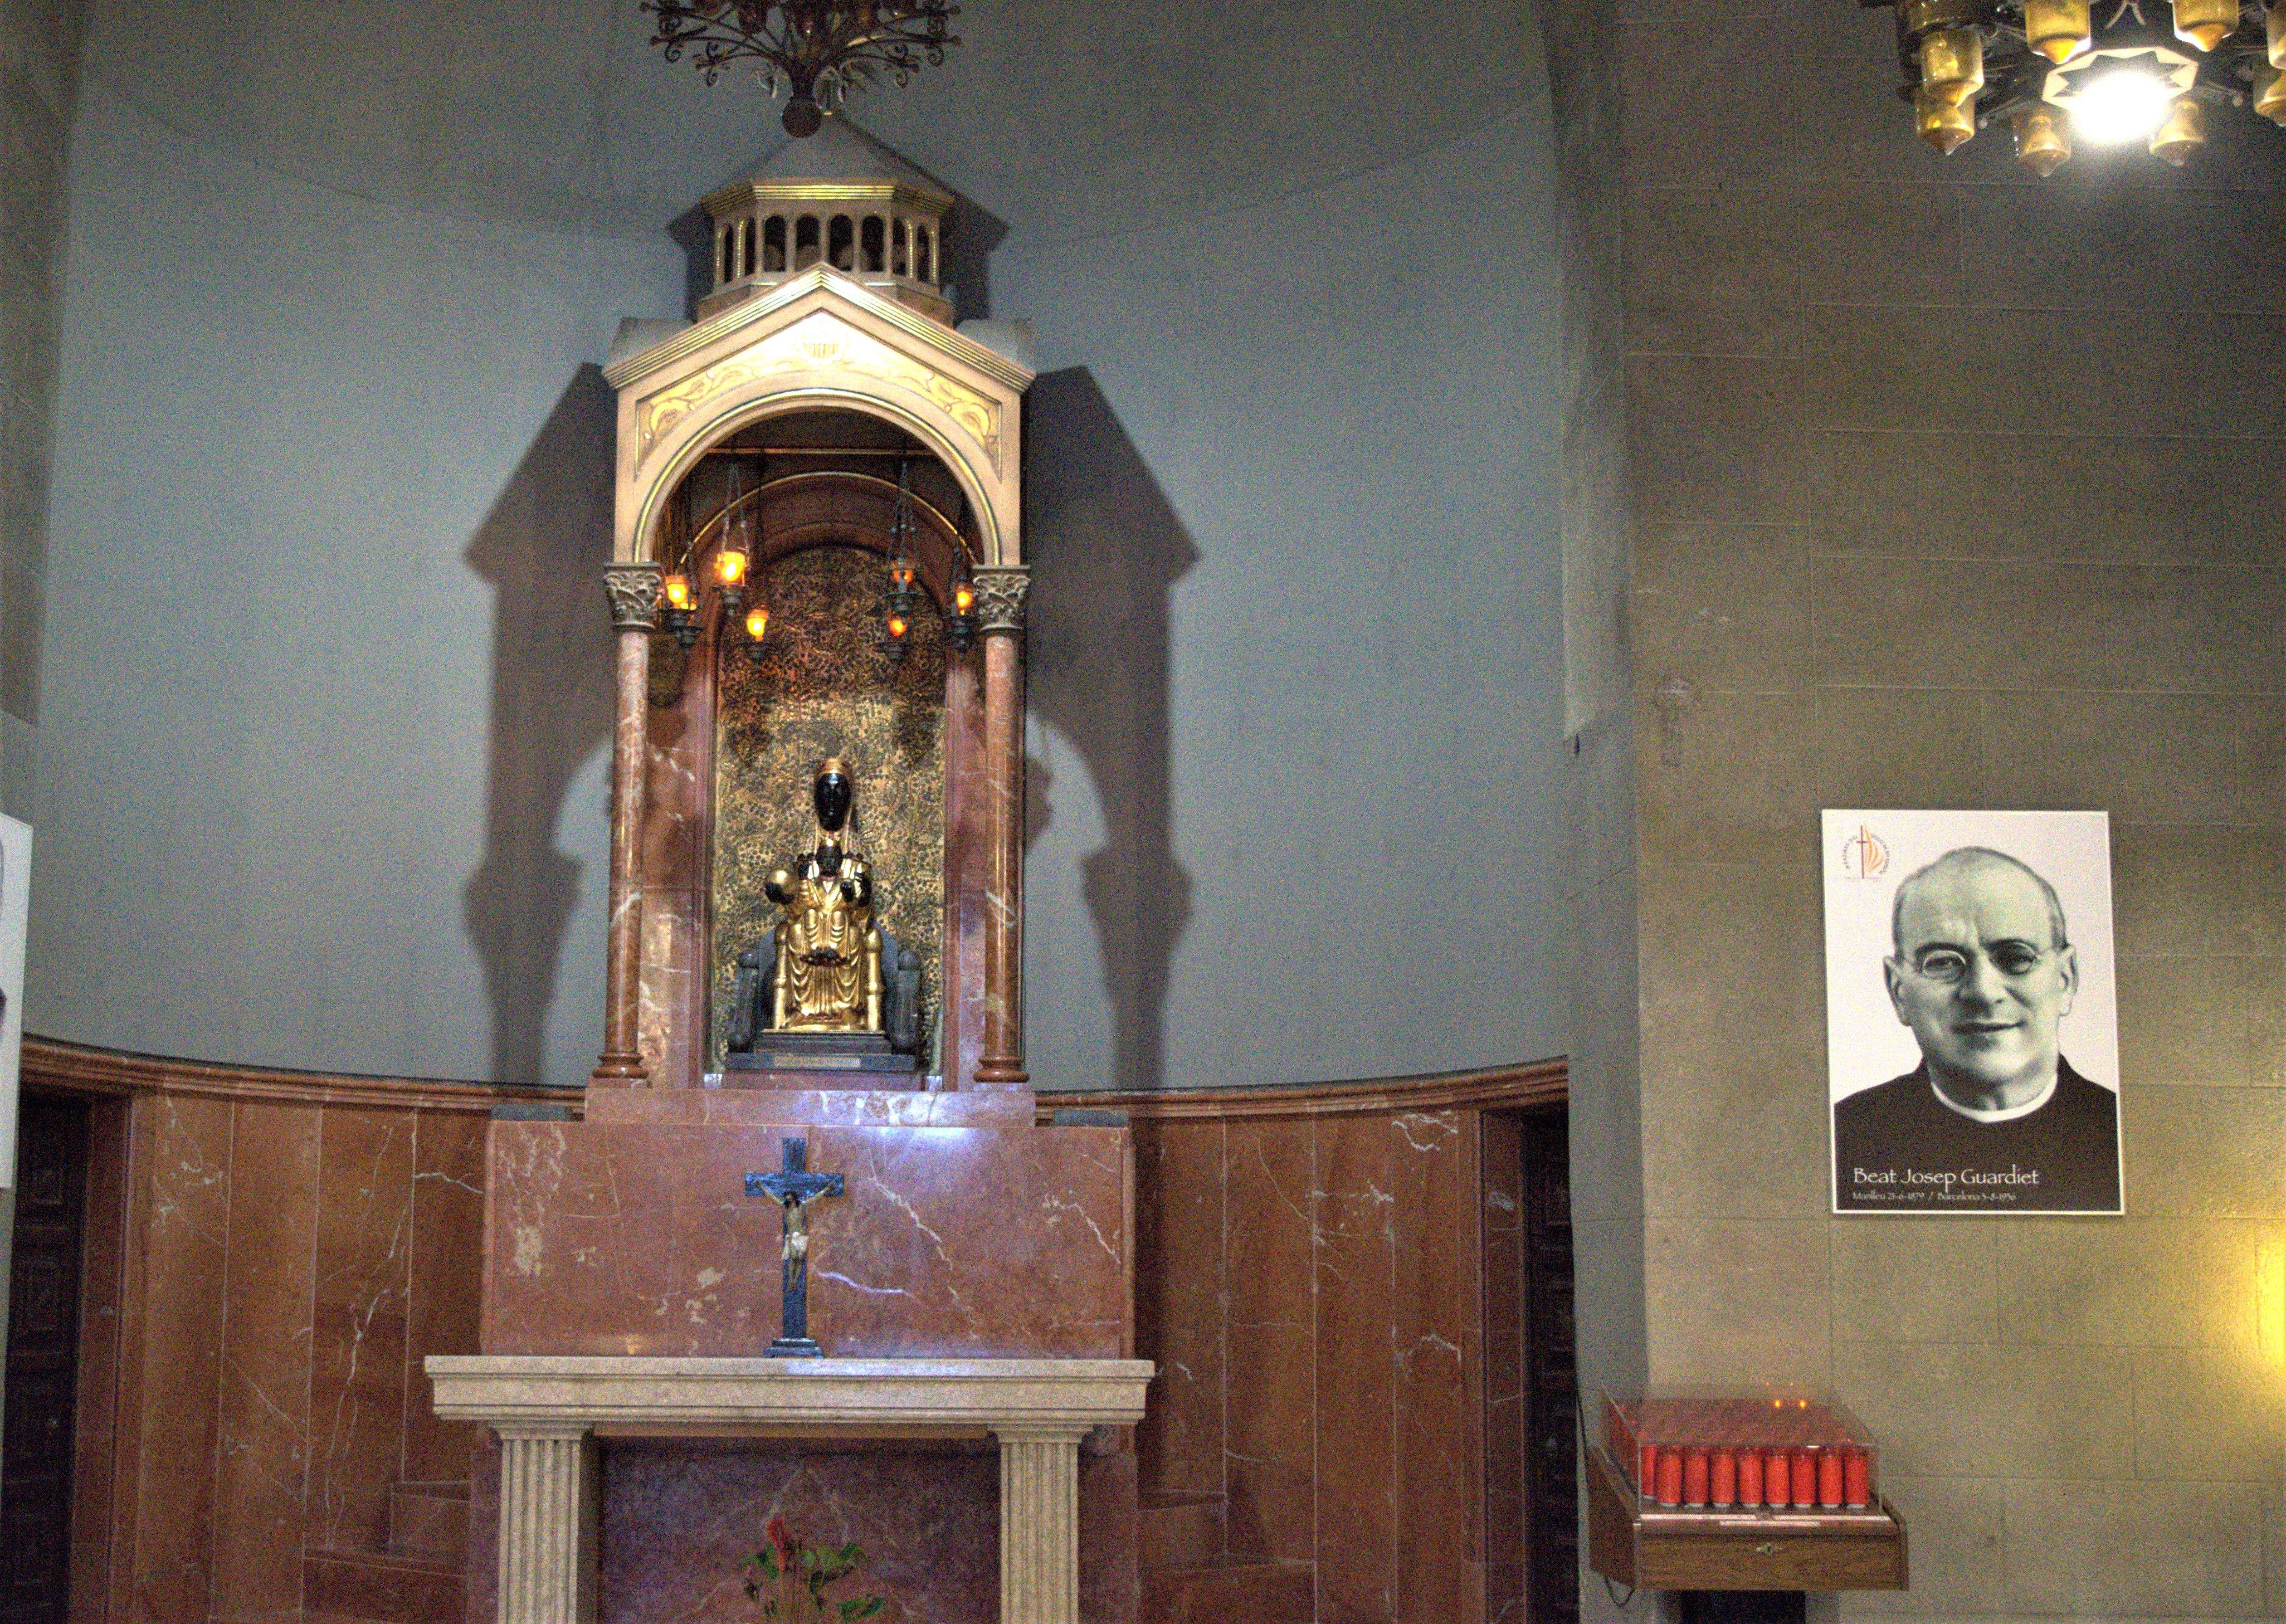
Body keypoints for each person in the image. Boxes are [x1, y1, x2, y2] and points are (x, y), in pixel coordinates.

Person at [1833, 846, 2120, 1213]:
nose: (1982, 992)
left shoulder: (2118, 1132)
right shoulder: (1845, 1138)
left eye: (2016, 957)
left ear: (2065, 979)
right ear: (1898, 991)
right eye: (1942, 962)